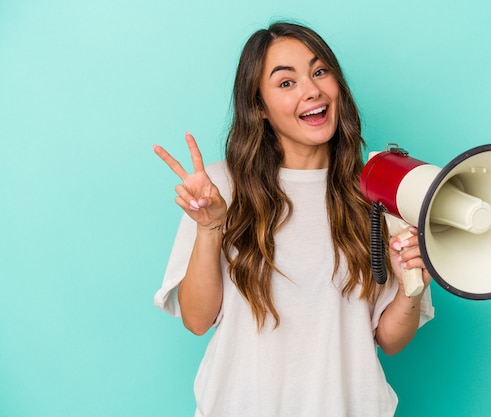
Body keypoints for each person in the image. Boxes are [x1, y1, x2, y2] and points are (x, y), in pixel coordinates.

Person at [153, 21, 435, 417]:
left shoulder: (378, 193)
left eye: (320, 72)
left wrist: (413, 286)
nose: (312, 90)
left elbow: (388, 339)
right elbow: (198, 320)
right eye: (286, 83)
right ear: (259, 107)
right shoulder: (219, 187)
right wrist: (210, 225)